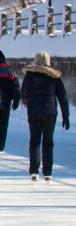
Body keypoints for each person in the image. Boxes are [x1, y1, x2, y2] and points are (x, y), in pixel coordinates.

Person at [20, 51, 69, 182]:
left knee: (34, 141)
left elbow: (23, 93)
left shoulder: (29, 76)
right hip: (49, 112)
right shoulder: (54, 77)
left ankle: (34, 171)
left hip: (34, 111)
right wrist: (66, 116)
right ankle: (48, 172)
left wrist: (28, 102)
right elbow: (62, 97)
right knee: (48, 142)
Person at [0, 51, 20, 153]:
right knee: (3, 125)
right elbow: (16, 87)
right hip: (6, 103)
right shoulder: (10, 71)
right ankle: (0, 146)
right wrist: (16, 100)